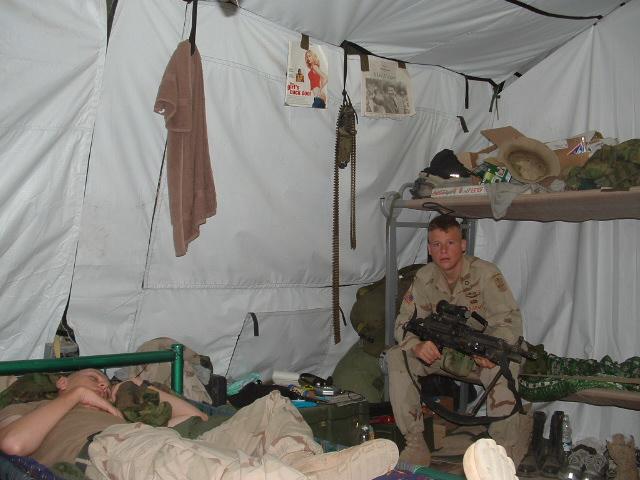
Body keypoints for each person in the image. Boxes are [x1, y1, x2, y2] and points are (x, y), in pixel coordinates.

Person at [0, 369, 398, 479]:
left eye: (105, 382)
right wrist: (75, 398)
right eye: (93, 379)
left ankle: (304, 466)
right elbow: (14, 446)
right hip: (105, 449)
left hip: (156, 440)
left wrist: (142, 390)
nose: (102, 386)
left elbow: (197, 418)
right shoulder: (31, 408)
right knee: (163, 449)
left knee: (272, 404)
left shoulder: (117, 407)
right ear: (62, 381)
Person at [386, 214, 524, 466]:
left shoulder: (485, 274)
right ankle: (415, 443)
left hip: (482, 355)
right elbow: (403, 323)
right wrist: (416, 345)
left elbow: (510, 323)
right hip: (446, 353)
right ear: (429, 249)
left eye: (450, 243)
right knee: (397, 355)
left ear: (462, 245)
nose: (443, 251)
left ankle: (501, 455)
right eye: (436, 244)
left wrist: (489, 351)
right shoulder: (424, 277)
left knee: (503, 369)